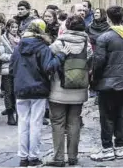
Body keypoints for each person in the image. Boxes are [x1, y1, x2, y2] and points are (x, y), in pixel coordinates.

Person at [10, 19, 68, 167]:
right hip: (38, 89)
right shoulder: (42, 47)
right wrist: (61, 56)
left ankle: (23, 157)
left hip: (21, 89)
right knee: (35, 123)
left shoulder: (18, 47)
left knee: (23, 123)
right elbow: (49, 67)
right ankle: (33, 156)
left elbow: (11, 69)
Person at [90, 6, 123, 162]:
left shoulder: (104, 38)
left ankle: (107, 149)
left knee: (106, 117)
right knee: (122, 116)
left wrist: (95, 80)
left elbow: (98, 62)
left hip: (107, 83)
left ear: (108, 19)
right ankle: (119, 147)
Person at [47, 15, 93, 167]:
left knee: (58, 123)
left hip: (58, 89)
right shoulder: (87, 44)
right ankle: (73, 156)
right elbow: (90, 63)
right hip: (79, 90)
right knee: (74, 122)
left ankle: (58, 158)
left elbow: (49, 63)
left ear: (67, 26)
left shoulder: (59, 43)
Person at [0, 19, 20, 125]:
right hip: (7, 69)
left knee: (17, 93)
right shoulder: (3, 39)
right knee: (9, 93)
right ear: (8, 28)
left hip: (18, 70)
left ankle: (18, 115)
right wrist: (14, 57)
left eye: (16, 27)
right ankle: (10, 114)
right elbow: (2, 55)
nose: (15, 29)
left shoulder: (20, 38)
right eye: (13, 27)